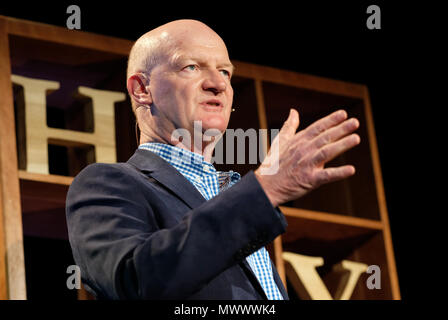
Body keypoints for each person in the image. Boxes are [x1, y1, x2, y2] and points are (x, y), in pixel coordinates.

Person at [65, 19, 360, 300]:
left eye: (225, 72)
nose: (218, 84)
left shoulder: (233, 197)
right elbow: (135, 282)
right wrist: (266, 189)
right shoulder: (105, 184)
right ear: (142, 89)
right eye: (191, 67)